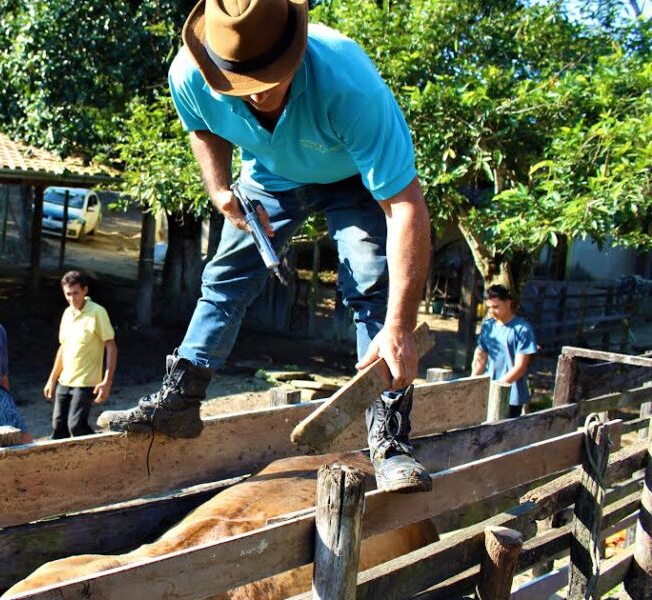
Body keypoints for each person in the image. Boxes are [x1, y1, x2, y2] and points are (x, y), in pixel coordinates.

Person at [98, 0, 433, 493]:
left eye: (268, 83)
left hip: (353, 178)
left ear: (295, 53)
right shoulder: (191, 74)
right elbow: (202, 126)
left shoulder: (349, 83)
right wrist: (218, 187)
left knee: (370, 284)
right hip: (269, 177)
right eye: (241, 86)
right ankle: (182, 401)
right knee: (224, 278)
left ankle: (390, 441)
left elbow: (406, 207)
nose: (255, 98)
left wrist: (401, 326)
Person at [43, 271, 118, 439]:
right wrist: (52, 379)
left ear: (85, 290)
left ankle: (100, 453)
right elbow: (63, 348)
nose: (72, 298)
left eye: (75, 293)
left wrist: (107, 380)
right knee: (58, 427)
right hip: (65, 379)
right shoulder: (67, 314)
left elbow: (111, 346)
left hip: (86, 381)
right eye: (68, 294)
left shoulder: (97, 312)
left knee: (76, 425)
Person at [471, 285, 537, 418]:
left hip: (511, 395)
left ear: (508, 303)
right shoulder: (488, 326)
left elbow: (520, 367)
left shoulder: (522, 330)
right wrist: (472, 382)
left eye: (496, 307)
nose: (492, 311)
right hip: (488, 391)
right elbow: (481, 358)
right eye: (489, 308)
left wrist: (498, 387)